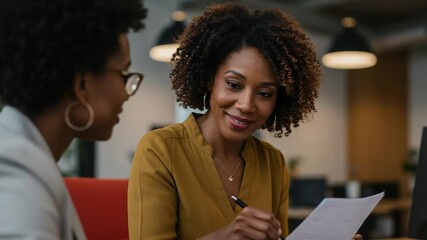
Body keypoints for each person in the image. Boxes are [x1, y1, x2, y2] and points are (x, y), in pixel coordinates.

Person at [128, 2, 361, 240]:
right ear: (210, 79)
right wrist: (226, 236)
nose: (247, 105)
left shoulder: (272, 163)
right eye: (234, 85)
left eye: (265, 93)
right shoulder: (160, 150)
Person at [0, 0, 147, 239]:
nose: (126, 92)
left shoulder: (23, 153)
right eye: (124, 74)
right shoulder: (13, 168)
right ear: (82, 85)